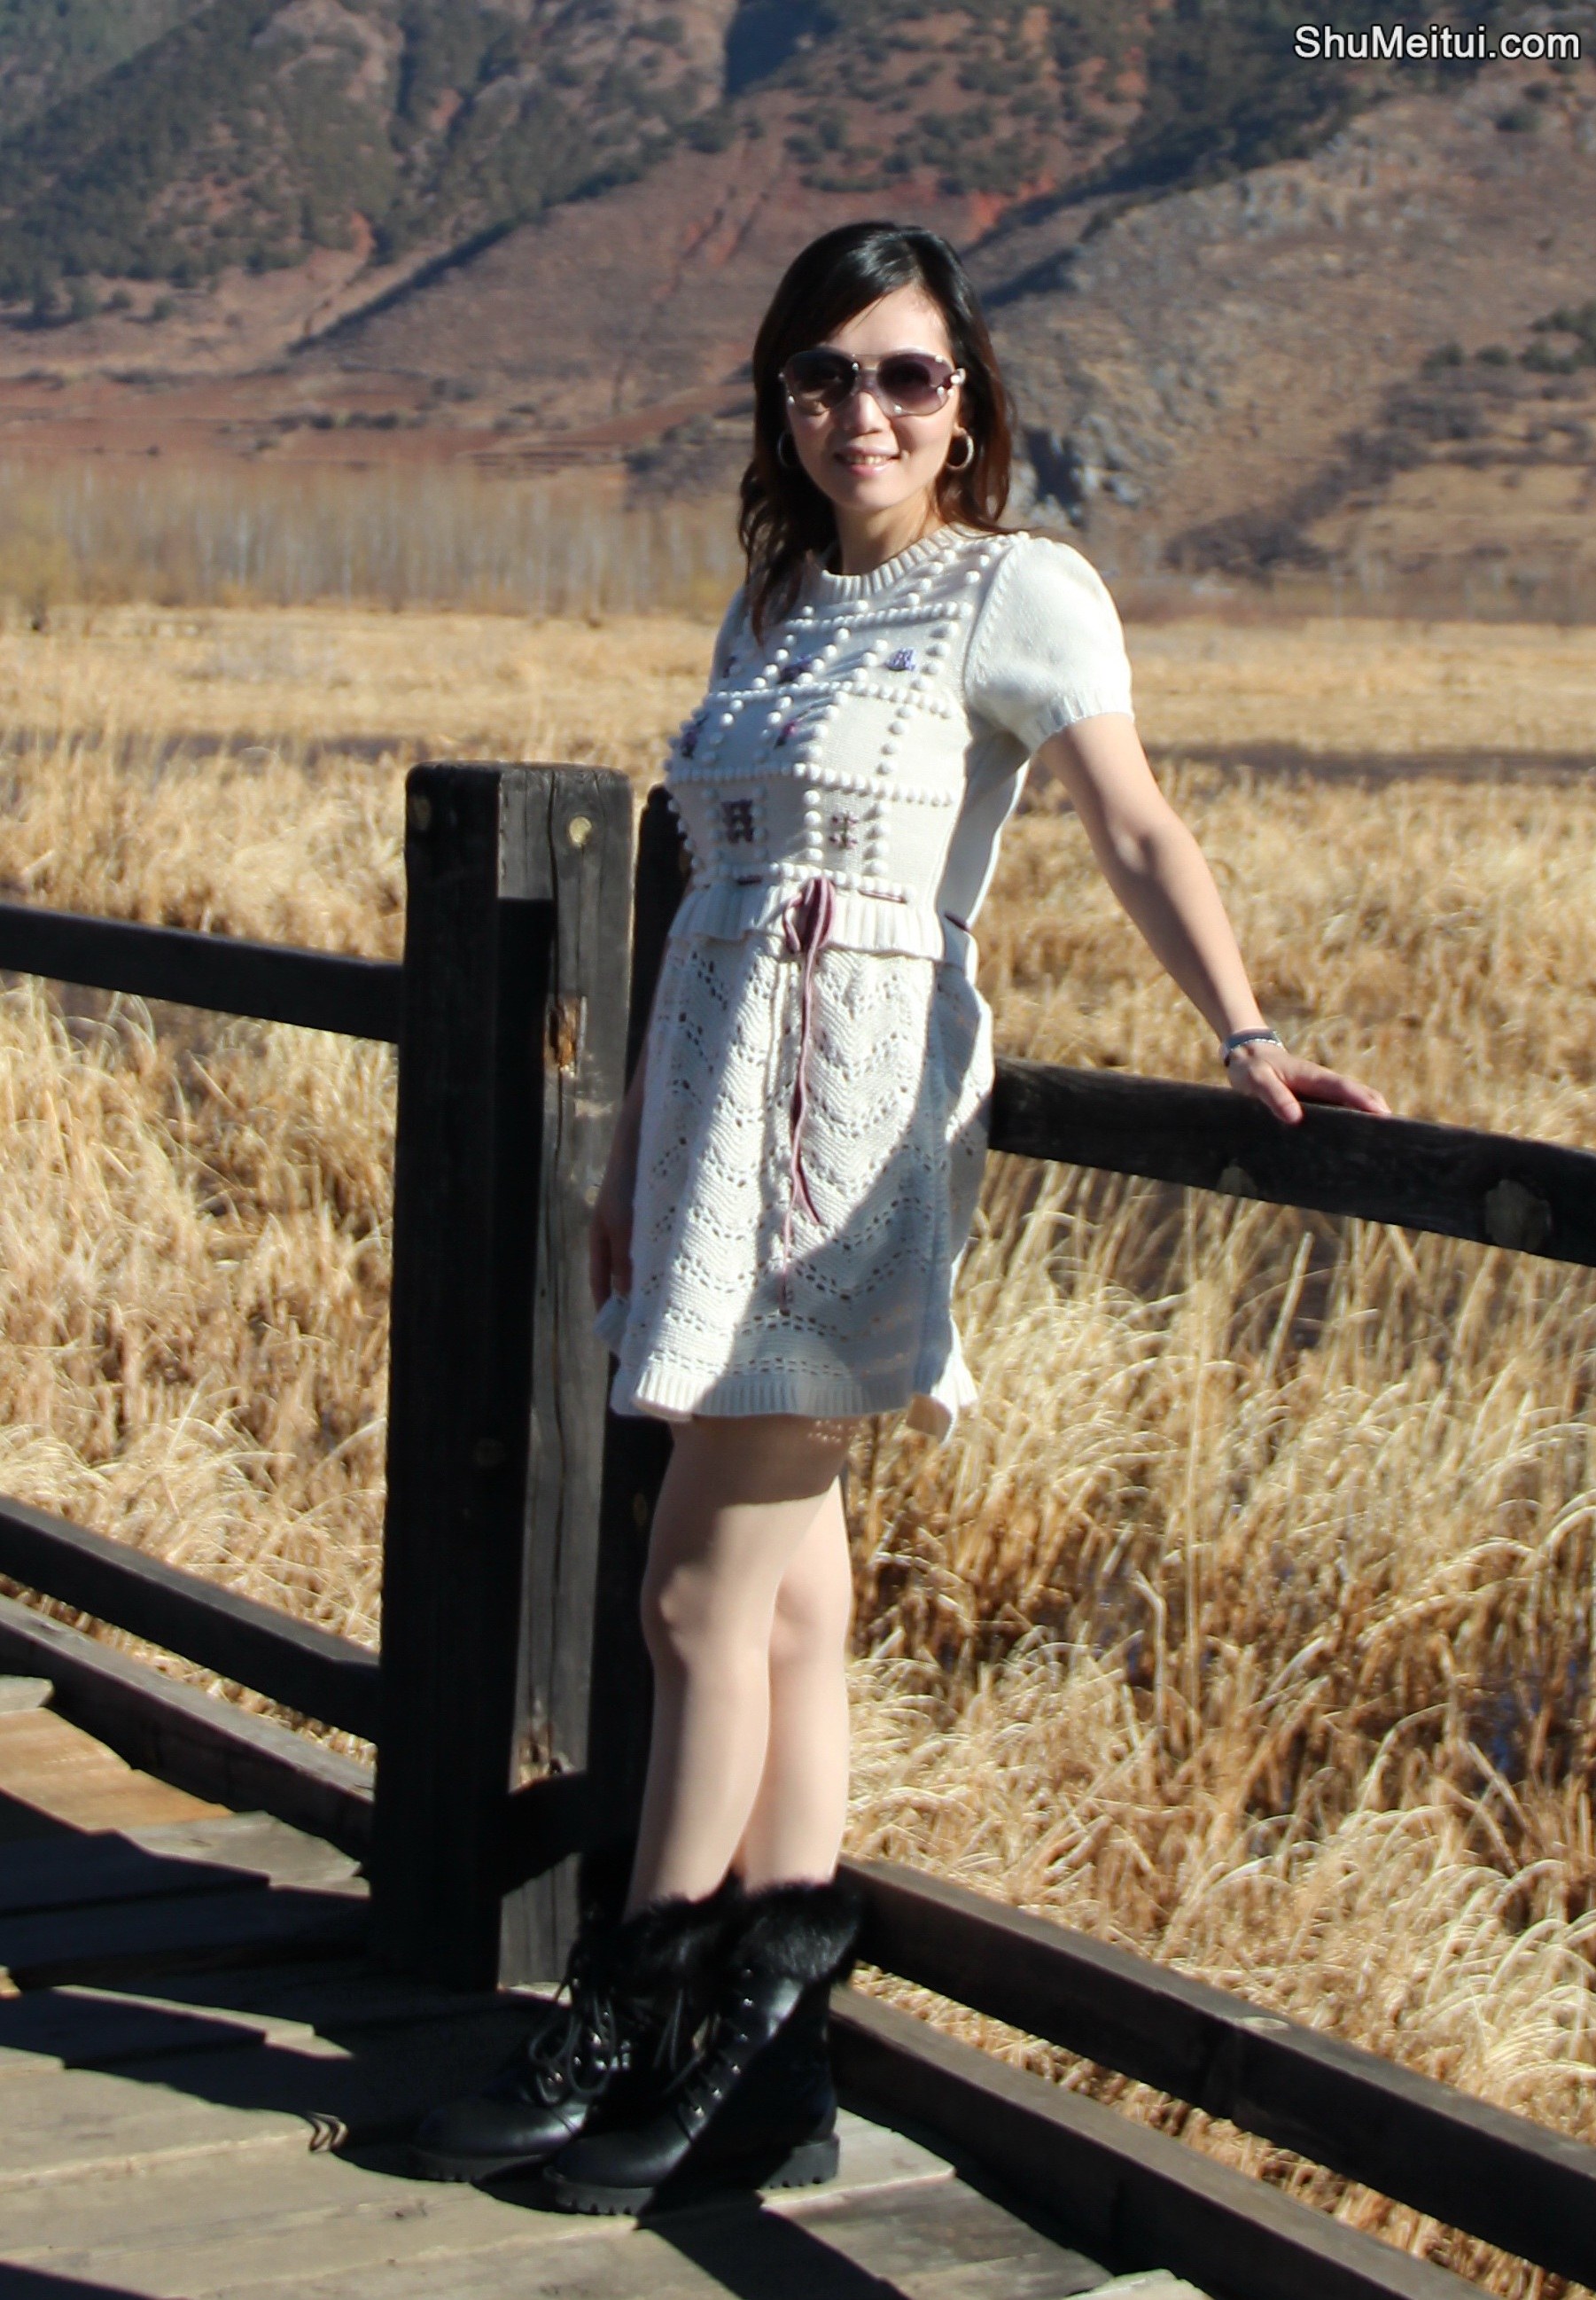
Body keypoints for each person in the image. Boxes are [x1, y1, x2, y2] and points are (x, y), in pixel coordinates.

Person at [412, 220, 1388, 2213]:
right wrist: (626, 1147)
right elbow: (703, 890)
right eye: (823, 375)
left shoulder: (1020, 590)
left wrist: (1246, 1033)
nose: (862, 410)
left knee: (694, 1595)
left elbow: (1130, 820)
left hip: (846, 1135)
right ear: (781, 402)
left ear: (966, 405)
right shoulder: (769, 603)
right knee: (786, 1599)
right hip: (708, 1121)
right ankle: (766, 2054)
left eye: (905, 376)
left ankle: (628, 2010)